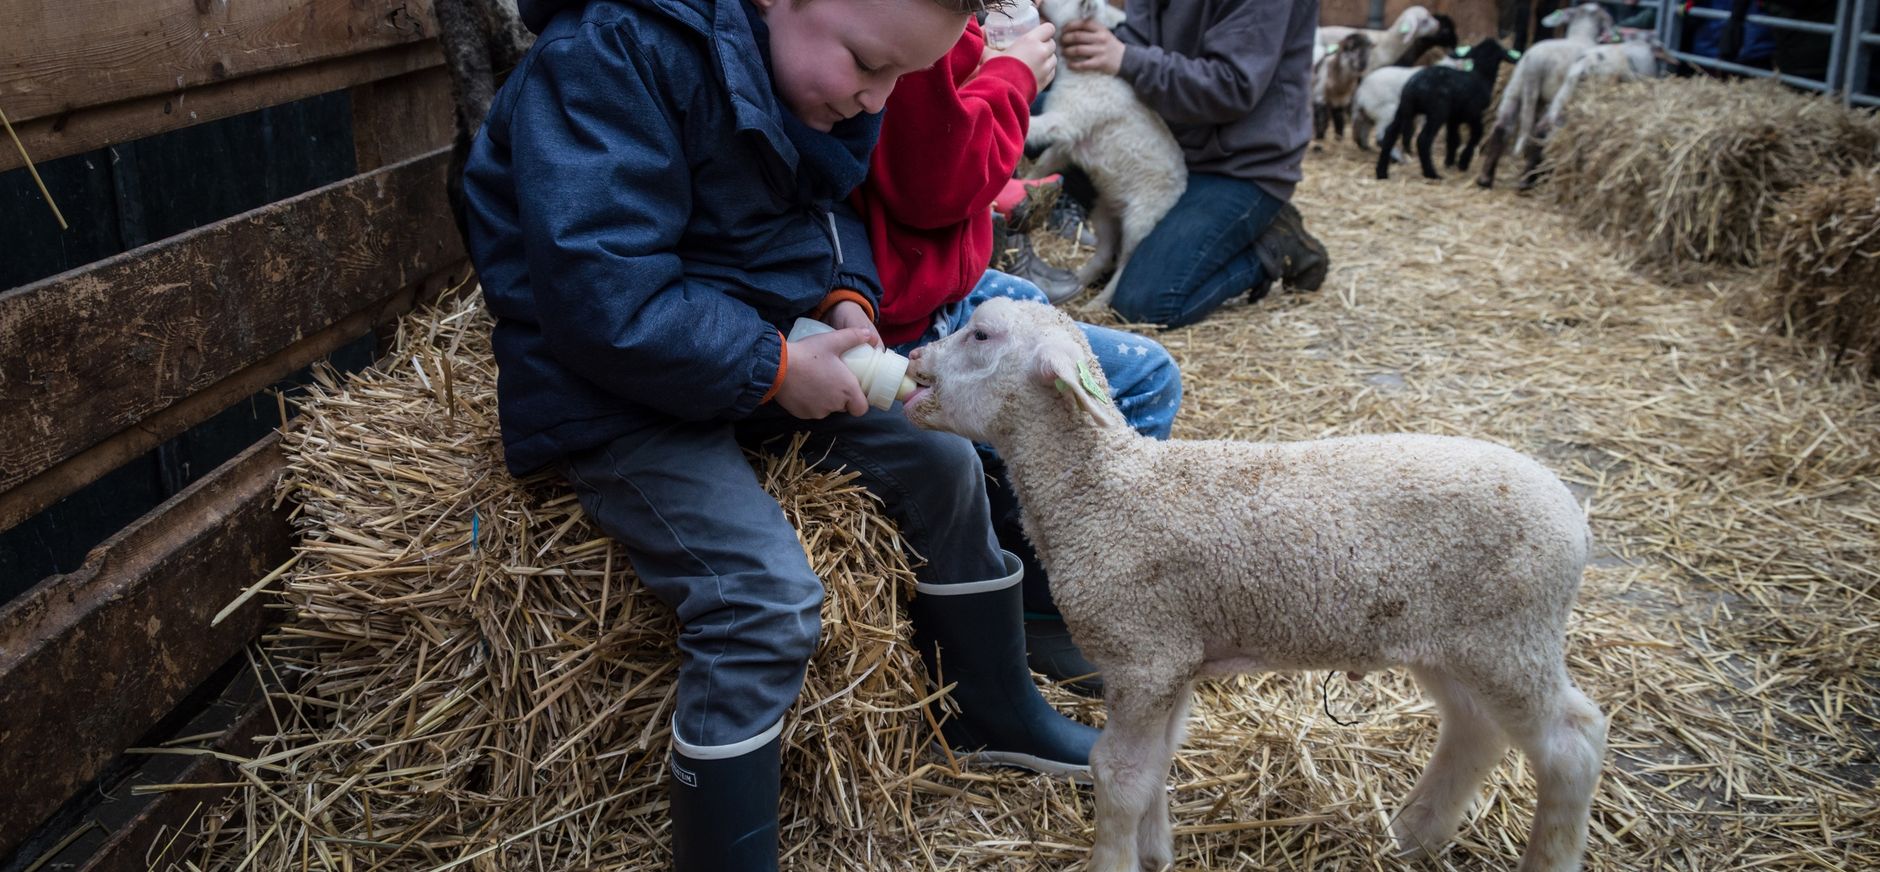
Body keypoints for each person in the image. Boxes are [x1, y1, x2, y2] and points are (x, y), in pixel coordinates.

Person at [458, 0, 1093, 868]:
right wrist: (778, 369)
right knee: (762, 596)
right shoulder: (607, 59)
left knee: (942, 460)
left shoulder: (812, 76)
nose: (877, 100)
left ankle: (987, 709)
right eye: (869, 66)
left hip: (747, 352)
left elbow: (822, 221)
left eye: (901, 79)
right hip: (611, 393)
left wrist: (842, 300)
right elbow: (602, 297)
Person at [850, 5, 1184, 694]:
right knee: (987, 422)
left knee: (1146, 373)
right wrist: (1011, 78)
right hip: (902, 302)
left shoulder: (951, 24)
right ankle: (1032, 612)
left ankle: (1068, 594)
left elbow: (948, 167)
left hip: (951, 274)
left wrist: (1000, 184)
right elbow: (932, 179)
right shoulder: (902, 23)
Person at [1056, 0, 1331, 329]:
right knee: (1048, 118)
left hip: (1238, 163)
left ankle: (1272, 245)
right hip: (1166, 141)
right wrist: (1088, 39)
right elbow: (1136, 36)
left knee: (1142, 306)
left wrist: (1125, 58)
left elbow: (1232, 85)